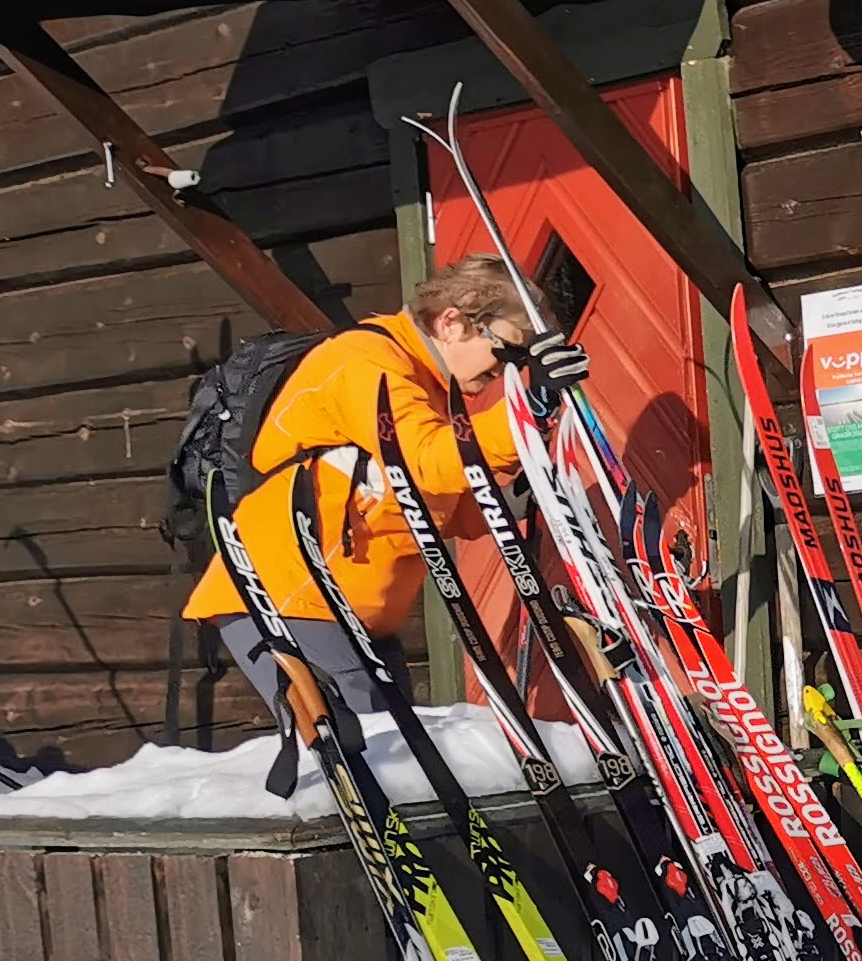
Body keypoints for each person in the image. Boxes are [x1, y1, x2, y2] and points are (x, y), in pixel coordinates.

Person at [181, 256, 587, 733]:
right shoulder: (367, 362)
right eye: (506, 347)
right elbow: (425, 460)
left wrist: (520, 491)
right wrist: (526, 409)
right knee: (374, 753)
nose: (506, 368)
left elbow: (437, 502)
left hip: (353, 614)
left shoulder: (429, 387)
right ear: (451, 322)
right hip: (293, 601)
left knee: (397, 756)